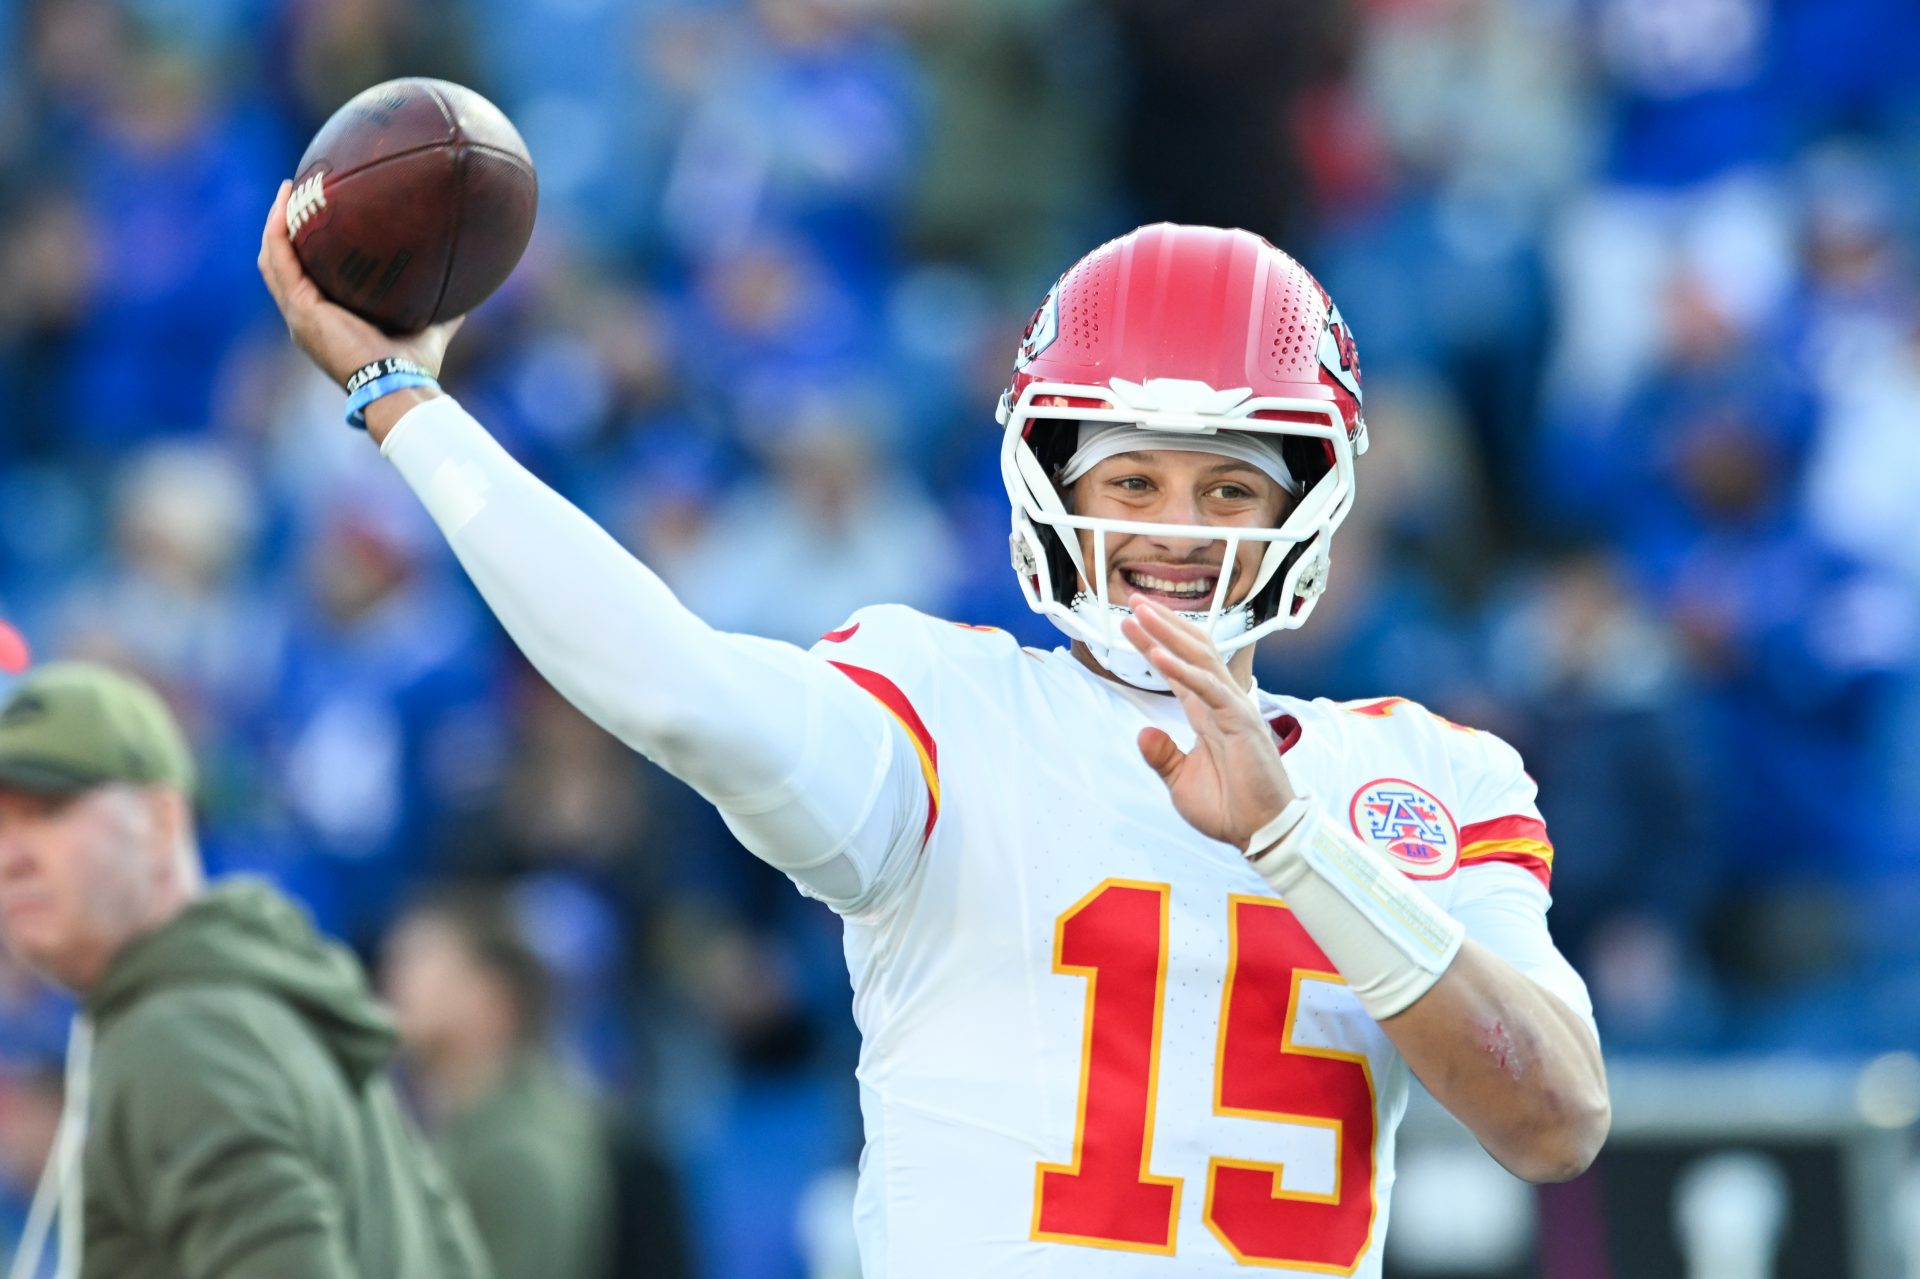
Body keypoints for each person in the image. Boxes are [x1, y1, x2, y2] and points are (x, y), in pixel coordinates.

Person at [261, 191, 1610, 1276]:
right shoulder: (949, 707)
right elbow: (672, 684)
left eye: (1227, 483)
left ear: (1306, 503)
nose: (1172, 526)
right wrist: (406, 408)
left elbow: (1554, 1116)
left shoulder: (1421, 774)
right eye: (1131, 476)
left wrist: (1292, 841)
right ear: (1045, 481)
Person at [0, 662, 491, 1279]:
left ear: (161, 822)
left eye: (47, 812)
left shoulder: (181, 1037)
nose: (10, 855)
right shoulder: (263, 1000)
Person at [384, 889, 617, 1279]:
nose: (393, 984)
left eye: (418, 965)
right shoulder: (469, 1123)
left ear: (491, 998)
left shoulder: (518, 1154)